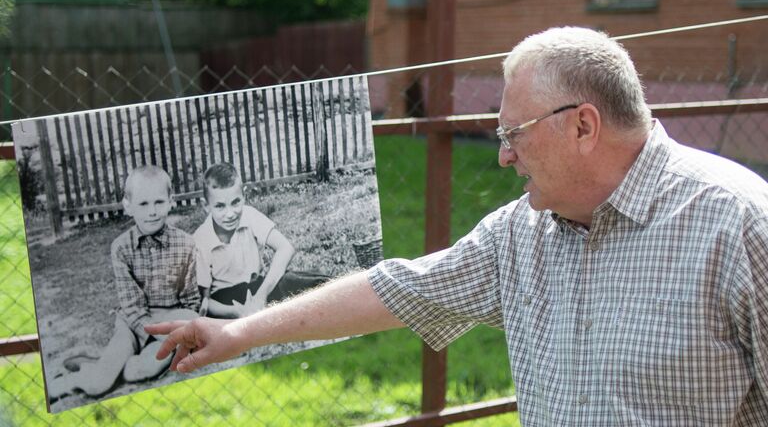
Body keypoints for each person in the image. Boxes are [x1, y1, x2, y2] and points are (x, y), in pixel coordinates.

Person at [147, 27, 768, 425]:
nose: (502, 155)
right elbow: (397, 289)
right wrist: (241, 332)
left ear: (583, 126)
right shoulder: (521, 233)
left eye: (512, 136)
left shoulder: (736, 225)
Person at [48, 165, 200, 399]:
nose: (152, 212)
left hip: (168, 319)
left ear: (171, 201)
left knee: (140, 370)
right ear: (128, 206)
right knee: (99, 385)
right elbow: (132, 309)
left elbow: (190, 303)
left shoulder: (186, 244)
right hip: (131, 323)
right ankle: (75, 379)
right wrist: (171, 338)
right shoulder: (120, 247)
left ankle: (103, 363)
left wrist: (178, 332)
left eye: (159, 202)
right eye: (143, 204)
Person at [195, 163, 327, 319]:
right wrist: (236, 312)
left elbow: (285, 248)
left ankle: (347, 293)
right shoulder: (200, 239)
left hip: (258, 288)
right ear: (206, 206)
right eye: (220, 206)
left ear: (244, 196)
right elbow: (204, 300)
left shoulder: (249, 215)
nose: (230, 214)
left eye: (235, 202)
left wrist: (260, 296)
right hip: (225, 303)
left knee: (296, 281)